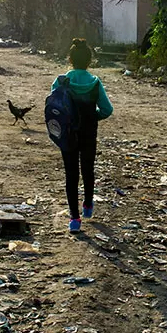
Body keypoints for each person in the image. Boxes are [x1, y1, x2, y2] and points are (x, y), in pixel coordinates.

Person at [52, 38, 114, 234]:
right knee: (88, 169)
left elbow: (53, 106)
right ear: (89, 61)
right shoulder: (95, 83)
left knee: (71, 174)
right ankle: (88, 205)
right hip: (89, 132)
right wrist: (93, 117)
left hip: (68, 134)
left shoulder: (61, 81)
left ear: (70, 59)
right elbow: (107, 109)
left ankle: (74, 219)